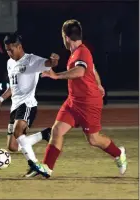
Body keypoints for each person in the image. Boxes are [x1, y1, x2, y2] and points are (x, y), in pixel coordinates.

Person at [28, 19, 127, 178]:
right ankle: (47, 167)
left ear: (66, 37)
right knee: (57, 130)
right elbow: (92, 69)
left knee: (94, 140)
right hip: (73, 101)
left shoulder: (82, 52)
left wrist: (56, 75)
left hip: (88, 103)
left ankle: (118, 153)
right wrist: (99, 84)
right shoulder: (78, 52)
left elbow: (80, 71)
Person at [0, 32, 59, 177]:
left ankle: (35, 165)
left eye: (11, 49)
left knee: (18, 132)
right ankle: (45, 134)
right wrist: (0, 100)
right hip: (15, 106)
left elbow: (49, 63)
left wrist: (54, 60)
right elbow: (12, 87)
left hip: (28, 104)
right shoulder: (10, 63)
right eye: (7, 50)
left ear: (19, 46)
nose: (9, 53)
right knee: (13, 146)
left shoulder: (31, 60)